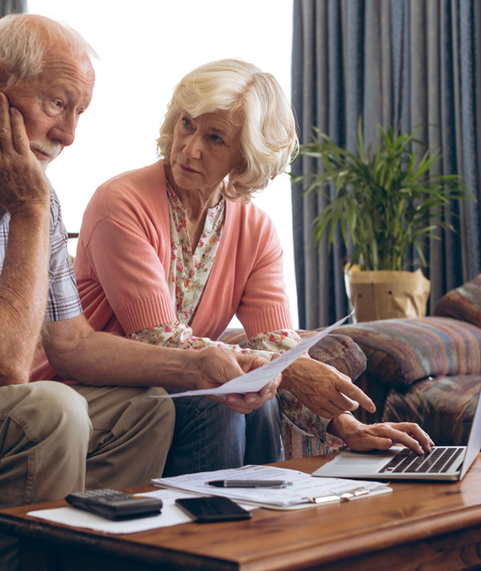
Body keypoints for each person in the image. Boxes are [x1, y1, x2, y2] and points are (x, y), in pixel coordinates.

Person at [0, 21, 282, 571]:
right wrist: (28, 209)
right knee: (47, 411)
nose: (68, 133)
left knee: (145, 411)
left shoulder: (34, 189)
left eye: (80, 113)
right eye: (57, 104)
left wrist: (201, 368)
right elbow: (6, 365)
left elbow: (72, 343)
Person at [33, 58, 433, 475]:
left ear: (244, 160)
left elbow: (276, 346)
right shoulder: (120, 202)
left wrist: (346, 425)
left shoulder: (256, 229)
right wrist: (285, 370)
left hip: (178, 384)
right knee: (221, 401)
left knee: (253, 401)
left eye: (215, 138)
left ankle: (269, 526)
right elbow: (159, 339)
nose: (189, 148)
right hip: (90, 385)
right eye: (187, 123)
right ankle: (215, 534)